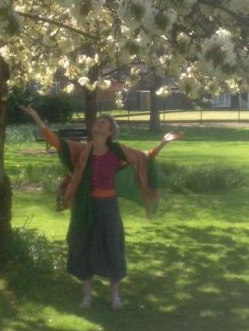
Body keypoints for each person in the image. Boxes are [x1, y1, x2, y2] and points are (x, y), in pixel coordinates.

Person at [20, 105, 182, 310]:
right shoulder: (81, 150)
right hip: (85, 208)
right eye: (99, 121)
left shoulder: (117, 152)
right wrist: (36, 117)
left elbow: (144, 158)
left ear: (110, 132)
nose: (99, 123)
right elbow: (55, 141)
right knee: (82, 245)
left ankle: (115, 297)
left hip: (108, 207)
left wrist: (162, 144)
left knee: (113, 246)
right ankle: (87, 296)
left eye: (104, 123)